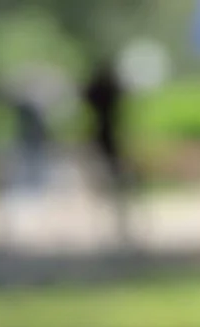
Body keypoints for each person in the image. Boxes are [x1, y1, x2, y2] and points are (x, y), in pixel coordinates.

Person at [82, 58, 133, 243]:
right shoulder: (110, 92)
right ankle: (113, 222)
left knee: (109, 182)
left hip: (103, 137)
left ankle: (113, 222)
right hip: (107, 138)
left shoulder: (99, 93)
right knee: (110, 182)